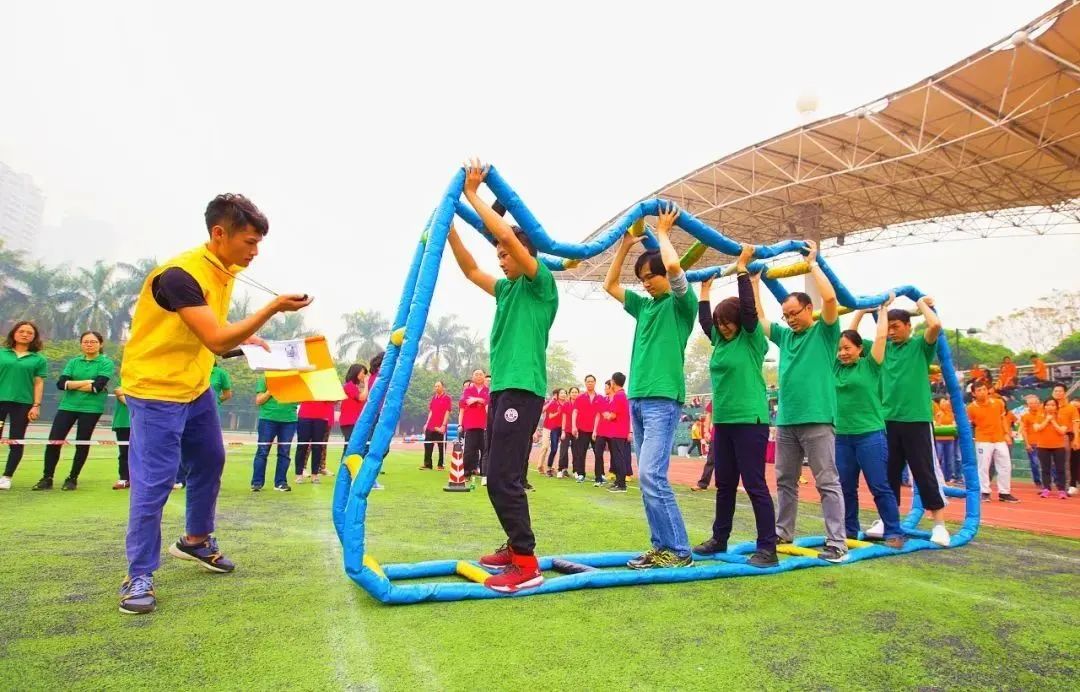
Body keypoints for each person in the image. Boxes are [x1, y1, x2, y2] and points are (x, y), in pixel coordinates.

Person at [116, 192, 311, 614]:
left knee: (209, 460)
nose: (255, 252)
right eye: (249, 242)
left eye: (259, 243)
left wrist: (252, 344)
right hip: (154, 390)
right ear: (219, 233)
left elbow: (218, 342)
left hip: (194, 385)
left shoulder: (224, 270)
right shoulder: (178, 275)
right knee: (154, 483)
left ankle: (196, 540)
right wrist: (273, 308)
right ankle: (139, 574)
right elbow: (217, 337)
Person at [445, 159, 558, 592]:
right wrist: (450, 229)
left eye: (507, 254)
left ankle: (526, 563)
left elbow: (508, 233)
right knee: (493, 471)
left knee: (505, 477)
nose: (502, 259)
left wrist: (473, 195)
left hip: (524, 390)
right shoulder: (507, 289)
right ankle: (514, 547)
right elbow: (472, 271)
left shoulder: (539, 283)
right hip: (502, 391)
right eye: (499, 256)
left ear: (525, 255)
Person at [602, 201, 694, 569]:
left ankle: (681, 551)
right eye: (640, 277)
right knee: (646, 479)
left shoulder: (679, 305)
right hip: (637, 400)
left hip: (662, 401)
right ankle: (661, 547)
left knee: (651, 474)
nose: (644, 281)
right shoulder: (644, 307)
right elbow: (609, 284)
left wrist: (664, 234)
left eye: (648, 276)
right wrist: (625, 248)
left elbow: (673, 266)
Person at [754, 240, 848, 562]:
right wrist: (753, 283)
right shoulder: (785, 336)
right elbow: (761, 321)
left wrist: (813, 264)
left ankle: (837, 542)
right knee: (784, 480)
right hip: (787, 420)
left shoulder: (824, 332)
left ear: (809, 310)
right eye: (786, 314)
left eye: (794, 313)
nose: (790, 319)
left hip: (818, 418)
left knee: (827, 481)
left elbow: (832, 298)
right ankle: (784, 532)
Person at [690, 245, 780, 565]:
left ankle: (767, 547)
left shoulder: (751, 338)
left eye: (728, 322)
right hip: (725, 422)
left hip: (750, 420)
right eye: (720, 323)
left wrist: (742, 269)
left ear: (738, 322)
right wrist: (705, 289)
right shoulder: (719, 341)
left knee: (754, 484)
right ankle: (719, 539)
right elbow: (704, 321)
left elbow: (749, 311)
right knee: (724, 483)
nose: (723, 328)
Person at [851, 295, 949, 546]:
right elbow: (849, 340)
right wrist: (861, 312)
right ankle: (888, 520)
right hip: (886, 422)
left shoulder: (920, 346)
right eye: (889, 327)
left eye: (897, 327)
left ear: (908, 326)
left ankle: (939, 524)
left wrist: (920, 304)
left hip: (916, 420)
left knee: (924, 472)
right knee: (887, 475)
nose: (892, 332)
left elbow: (935, 326)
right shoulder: (880, 350)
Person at [832, 298, 908, 548]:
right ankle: (850, 531)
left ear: (859, 349)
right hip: (842, 438)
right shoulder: (836, 368)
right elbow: (844, 335)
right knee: (846, 488)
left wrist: (882, 312)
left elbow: (880, 339)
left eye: (848, 348)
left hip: (870, 436)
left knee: (879, 485)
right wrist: (860, 312)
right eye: (840, 349)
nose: (843, 352)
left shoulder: (871, 365)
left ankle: (894, 532)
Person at [32, 331, 115, 491]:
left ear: (100, 344)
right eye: (85, 342)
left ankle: (72, 478)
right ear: (81, 344)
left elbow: (97, 387)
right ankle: (47, 477)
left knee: (82, 441)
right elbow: (61, 384)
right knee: (54, 441)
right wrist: (86, 382)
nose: (89, 344)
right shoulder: (74, 362)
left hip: (91, 409)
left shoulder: (106, 363)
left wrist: (73, 384)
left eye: (93, 342)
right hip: (67, 406)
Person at [0, 321, 47, 490]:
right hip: (1, 402)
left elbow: (38, 383)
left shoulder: (38, 359)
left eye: (29, 332)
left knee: (16, 439)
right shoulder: (2, 353)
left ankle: (7, 476)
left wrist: (36, 405)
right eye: (22, 331)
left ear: (34, 337)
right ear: (14, 333)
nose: (25, 334)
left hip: (23, 404)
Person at [966, 382, 1019, 503]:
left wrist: (1007, 434)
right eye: (979, 390)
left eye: (984, 389)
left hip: (999, 438)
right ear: (973, 393)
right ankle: (985, 492)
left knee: (1005, 465)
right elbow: (970, 424)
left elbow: (1003, 419)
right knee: (983, 466)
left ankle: (1004, 492)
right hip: (983, 439)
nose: (982, 392)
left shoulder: (998, 403)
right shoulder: (971, 408)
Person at [251, 374, 298, 492]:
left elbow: (301, 398)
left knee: (284, 452)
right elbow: (259, 400)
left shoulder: (295, 379)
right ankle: (257, 483)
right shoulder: (265, 378)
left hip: (289, 420)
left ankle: (281, 482)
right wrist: (271, 390)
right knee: (262, 451)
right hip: (268, 419)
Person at [1032, 398, 1069, 499]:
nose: (1050, 407)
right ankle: (1046, 489)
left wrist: (1053, 421)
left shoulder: (1061, 417)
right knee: (1045, 469)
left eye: (1053, 405)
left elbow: (1062, 431)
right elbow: (1037, 428)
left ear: (1056, 407)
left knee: (1060, 469)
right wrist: (1046, 420)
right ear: (1044, 407)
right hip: (1043, 446)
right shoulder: (1039, 416)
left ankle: (1062, 490)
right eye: (1048, 405)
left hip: (1059, 447)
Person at [1049, 384, 1080, 495]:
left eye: (1060, 391)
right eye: (1055, 391)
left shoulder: (1071, 408)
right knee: (1055, 463)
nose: (1057, 393)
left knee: (1070, 462)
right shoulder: (1049, 406)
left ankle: (1071, 485)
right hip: (1052, 437)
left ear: (1064, 393)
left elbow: (1076, 423)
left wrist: (1076, 438)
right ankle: (1056, 485)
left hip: (1067, 436)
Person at [295, 399, 333, 483]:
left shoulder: (328, 386)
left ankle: (314, 475)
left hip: (321, 417)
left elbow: (334, 399)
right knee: (302, 446)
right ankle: (299, 475)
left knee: (317, 447)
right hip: (305, 415)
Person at [606, 372, 633, 492]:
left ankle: (621, 485)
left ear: (613, 382)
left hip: (618, 431)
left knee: (619, 458)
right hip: (619, 431)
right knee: (617, 457)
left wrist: (605, 414)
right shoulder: (622, 395)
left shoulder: (618, 396)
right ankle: (618, 481)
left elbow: (612, 415)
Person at [571, 375, 601, 482]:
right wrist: (574, 426)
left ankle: (600, 474)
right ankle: (581, 474)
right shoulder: (580, 397)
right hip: (582, 429)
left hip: (595, 431)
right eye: (588, 381)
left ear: (595, 382)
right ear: (585, 383)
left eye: (592, 381)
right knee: (581, 453)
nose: (590, 383)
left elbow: (599, 414)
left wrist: (595, 430)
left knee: (598, 453)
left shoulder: (599, 398)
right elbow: (575, 412)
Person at [460, 369, 489, 478]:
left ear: (484, 376)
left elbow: (487, 402)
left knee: (485, 450)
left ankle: (484, 473)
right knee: (469, 450)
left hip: (484, 425)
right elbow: (467, 401)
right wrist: (481, 400)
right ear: (472, 377)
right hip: (471, 425)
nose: (478, 376)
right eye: (476, 374)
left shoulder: (488, 390)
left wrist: (476, 399)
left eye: (480, 374)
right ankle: (466, 472)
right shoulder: (467, 390)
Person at [420, 381, 452, 470]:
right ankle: (427, 464)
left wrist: (443, 425)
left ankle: (440, 464)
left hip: (440, 425)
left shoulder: (447, 398)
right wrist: (427, 423)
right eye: (435, 386)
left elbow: (447, 412)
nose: (436, 388)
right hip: (431, 425)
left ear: (443, 387)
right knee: (428, 445)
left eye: (438, 386)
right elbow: (431, 411)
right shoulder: (433, 398)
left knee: (441, 446)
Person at [339, 364, 369, 454]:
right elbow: (362, 398)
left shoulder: (355, 387)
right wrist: (366, 383)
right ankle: (344, 466)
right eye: (362, 373)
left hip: (354, 421)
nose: (364, 376)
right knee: (349, 448)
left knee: (351, 448)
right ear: (356, 372)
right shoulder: (349, 386)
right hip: (349, 422)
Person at [934, 396, 961, 486]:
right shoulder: (937, 413)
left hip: (950, 439)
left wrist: (945, 428)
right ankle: (938, 478)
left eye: (946, 401)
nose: (945, 403)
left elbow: (954, 427)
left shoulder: (951, 414)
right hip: (939, 440)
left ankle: (948, 478)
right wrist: (941, 422)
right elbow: (936, 427)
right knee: (939, 458)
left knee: (949, 460)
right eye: (943, 401)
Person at [1019, 395, 1044, 489]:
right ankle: (1037, 480)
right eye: (1030, 403)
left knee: (1050, 463)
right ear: (1027, 405)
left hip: (1044, 442)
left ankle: (1055, 480)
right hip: (1032, 443)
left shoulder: (1043, 414)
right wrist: (1027, 444)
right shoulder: (1025, 416)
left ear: (1039, 403)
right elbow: (1023, 430)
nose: (1033, 405)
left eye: (1035, 403)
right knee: (1035, 463)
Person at [537, 388, 564, 476]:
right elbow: (543, 411)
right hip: (547, 428)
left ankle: (551, 467)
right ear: (556, 395)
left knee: (554, 448)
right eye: (560, 393)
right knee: (545, 447)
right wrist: (551, 401)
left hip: (557, 429)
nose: (563, 395)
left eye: (564, 393)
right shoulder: (551, 402)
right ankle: (540, 466)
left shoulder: (563, 403)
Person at [591, 379, 613, 486]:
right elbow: (598, 415)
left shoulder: (616, 399)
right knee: (598, 454)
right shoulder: (602, 400)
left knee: (616, 455)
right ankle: (598, 478)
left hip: (613, 432)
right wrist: (595, 430)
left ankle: (618, 479)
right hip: (601, 431)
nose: (605, 389)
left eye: (606, 387)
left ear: (611, 387)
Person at [112, 378, 132, 490]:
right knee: (124, 452)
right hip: (123, 422)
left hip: (146, 421)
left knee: (147, 452)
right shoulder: (125, 376)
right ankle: (124, 478)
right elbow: (119, 391)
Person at [691, 401, 715, 491]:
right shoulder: (718, 395)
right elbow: (709, 414)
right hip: (717, 434)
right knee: (711, 460)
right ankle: (703, 484)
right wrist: (706, 431)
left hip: (737, 432)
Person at [556, 387, 577, 477]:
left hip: (576, 431)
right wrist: (563, 431)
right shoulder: (566, 404)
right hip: (567, 430)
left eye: (576, 392)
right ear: (569, 393)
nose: (574, 394)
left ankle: (576, 471)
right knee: (563, 451)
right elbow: (564, 418)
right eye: (572, 392)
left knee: (576, 451)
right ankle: (560, 470)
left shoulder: (580, 404)